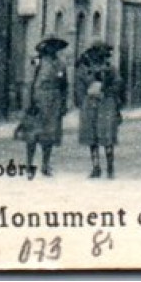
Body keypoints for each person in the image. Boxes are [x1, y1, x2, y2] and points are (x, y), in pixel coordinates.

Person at [76, 42, 122, 179]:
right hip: (89, 105)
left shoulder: (110, 69)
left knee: (107, 136)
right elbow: (79, 88)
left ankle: (110, 167)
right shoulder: (84, 70)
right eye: (95, 53)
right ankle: (96, 166)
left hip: (107, 104)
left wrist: (106, 89)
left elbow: (118, 84)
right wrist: (83, 100)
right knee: (92, 136)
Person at [24, 36, 69, 177]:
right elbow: (30, 83)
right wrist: (29, 103)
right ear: (45, 47)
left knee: (50, 134)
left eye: (56, 46)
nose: (53, 49)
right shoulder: (37, 62)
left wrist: (63, 104)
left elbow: (64, 86)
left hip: (54, 101)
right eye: (50, 46)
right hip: (38, 99)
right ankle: (29, 165)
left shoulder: (61, 64)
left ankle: (45, 164)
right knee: (33, 134)